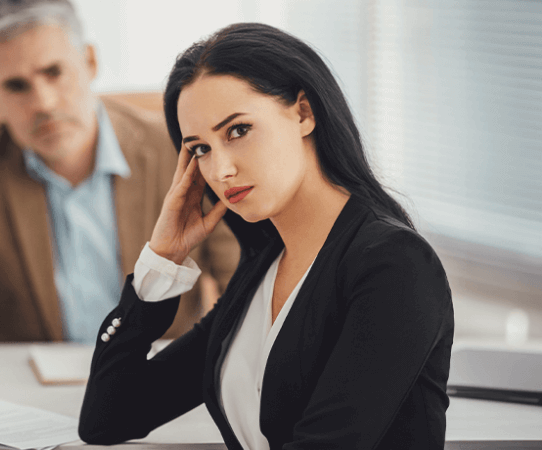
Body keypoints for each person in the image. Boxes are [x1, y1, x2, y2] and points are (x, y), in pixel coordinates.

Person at [78, 23, 454, 450]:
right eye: (200, 148)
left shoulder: (393, 265)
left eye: (237, 130)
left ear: (304, 112)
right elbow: (107, 418)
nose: (220, 171)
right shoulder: (263, 266)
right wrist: (163, 258)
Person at [0, 0, 239, 374]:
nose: (43, 102)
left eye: (54, 72)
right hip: (26, 391)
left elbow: (245, 278)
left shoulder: (180, 147)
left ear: (89, 62)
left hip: (161, 378)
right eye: (16, 85)